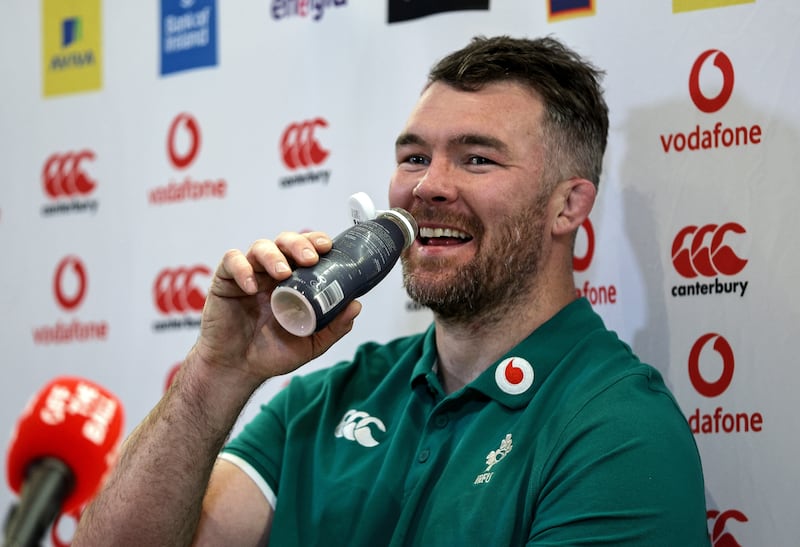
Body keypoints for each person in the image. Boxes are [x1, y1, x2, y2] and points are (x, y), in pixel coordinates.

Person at [73, 36, 710, 546]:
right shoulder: (322, 403)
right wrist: (218, 372)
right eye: (412, 157)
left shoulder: (618, 429)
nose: (427, 186)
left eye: (477, 159)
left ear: (568, 206)